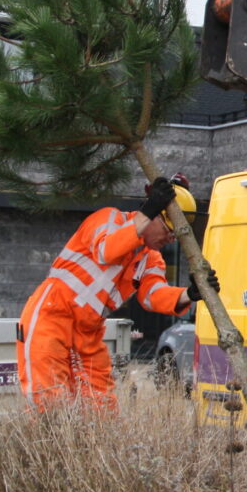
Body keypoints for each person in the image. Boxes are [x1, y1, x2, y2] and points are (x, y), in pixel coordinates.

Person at [16, 174, 220, 410]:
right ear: (153, 216)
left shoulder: (150, 258)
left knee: (101, 408)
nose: (170, 238)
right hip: (51, 315)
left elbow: (152, 295)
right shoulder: (109, 219)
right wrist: (148, 211)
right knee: (49, 404)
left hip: (88, 331)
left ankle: (92, 447)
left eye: (175, 234)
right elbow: (107, 250)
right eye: (168, 229)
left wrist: (191, 294)